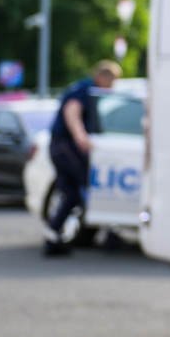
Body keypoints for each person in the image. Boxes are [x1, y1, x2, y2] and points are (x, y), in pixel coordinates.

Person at [42, 60, 119, 257]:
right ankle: (107, 231)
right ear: (103, 77)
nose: (112, 87)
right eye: (112, 82)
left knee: (70, 193)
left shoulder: (84, 87)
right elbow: (72, 111)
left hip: (59, 146)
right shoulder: (86, 89)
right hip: (65, 146)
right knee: (88, 183)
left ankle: (53, 235)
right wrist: (81, 137)